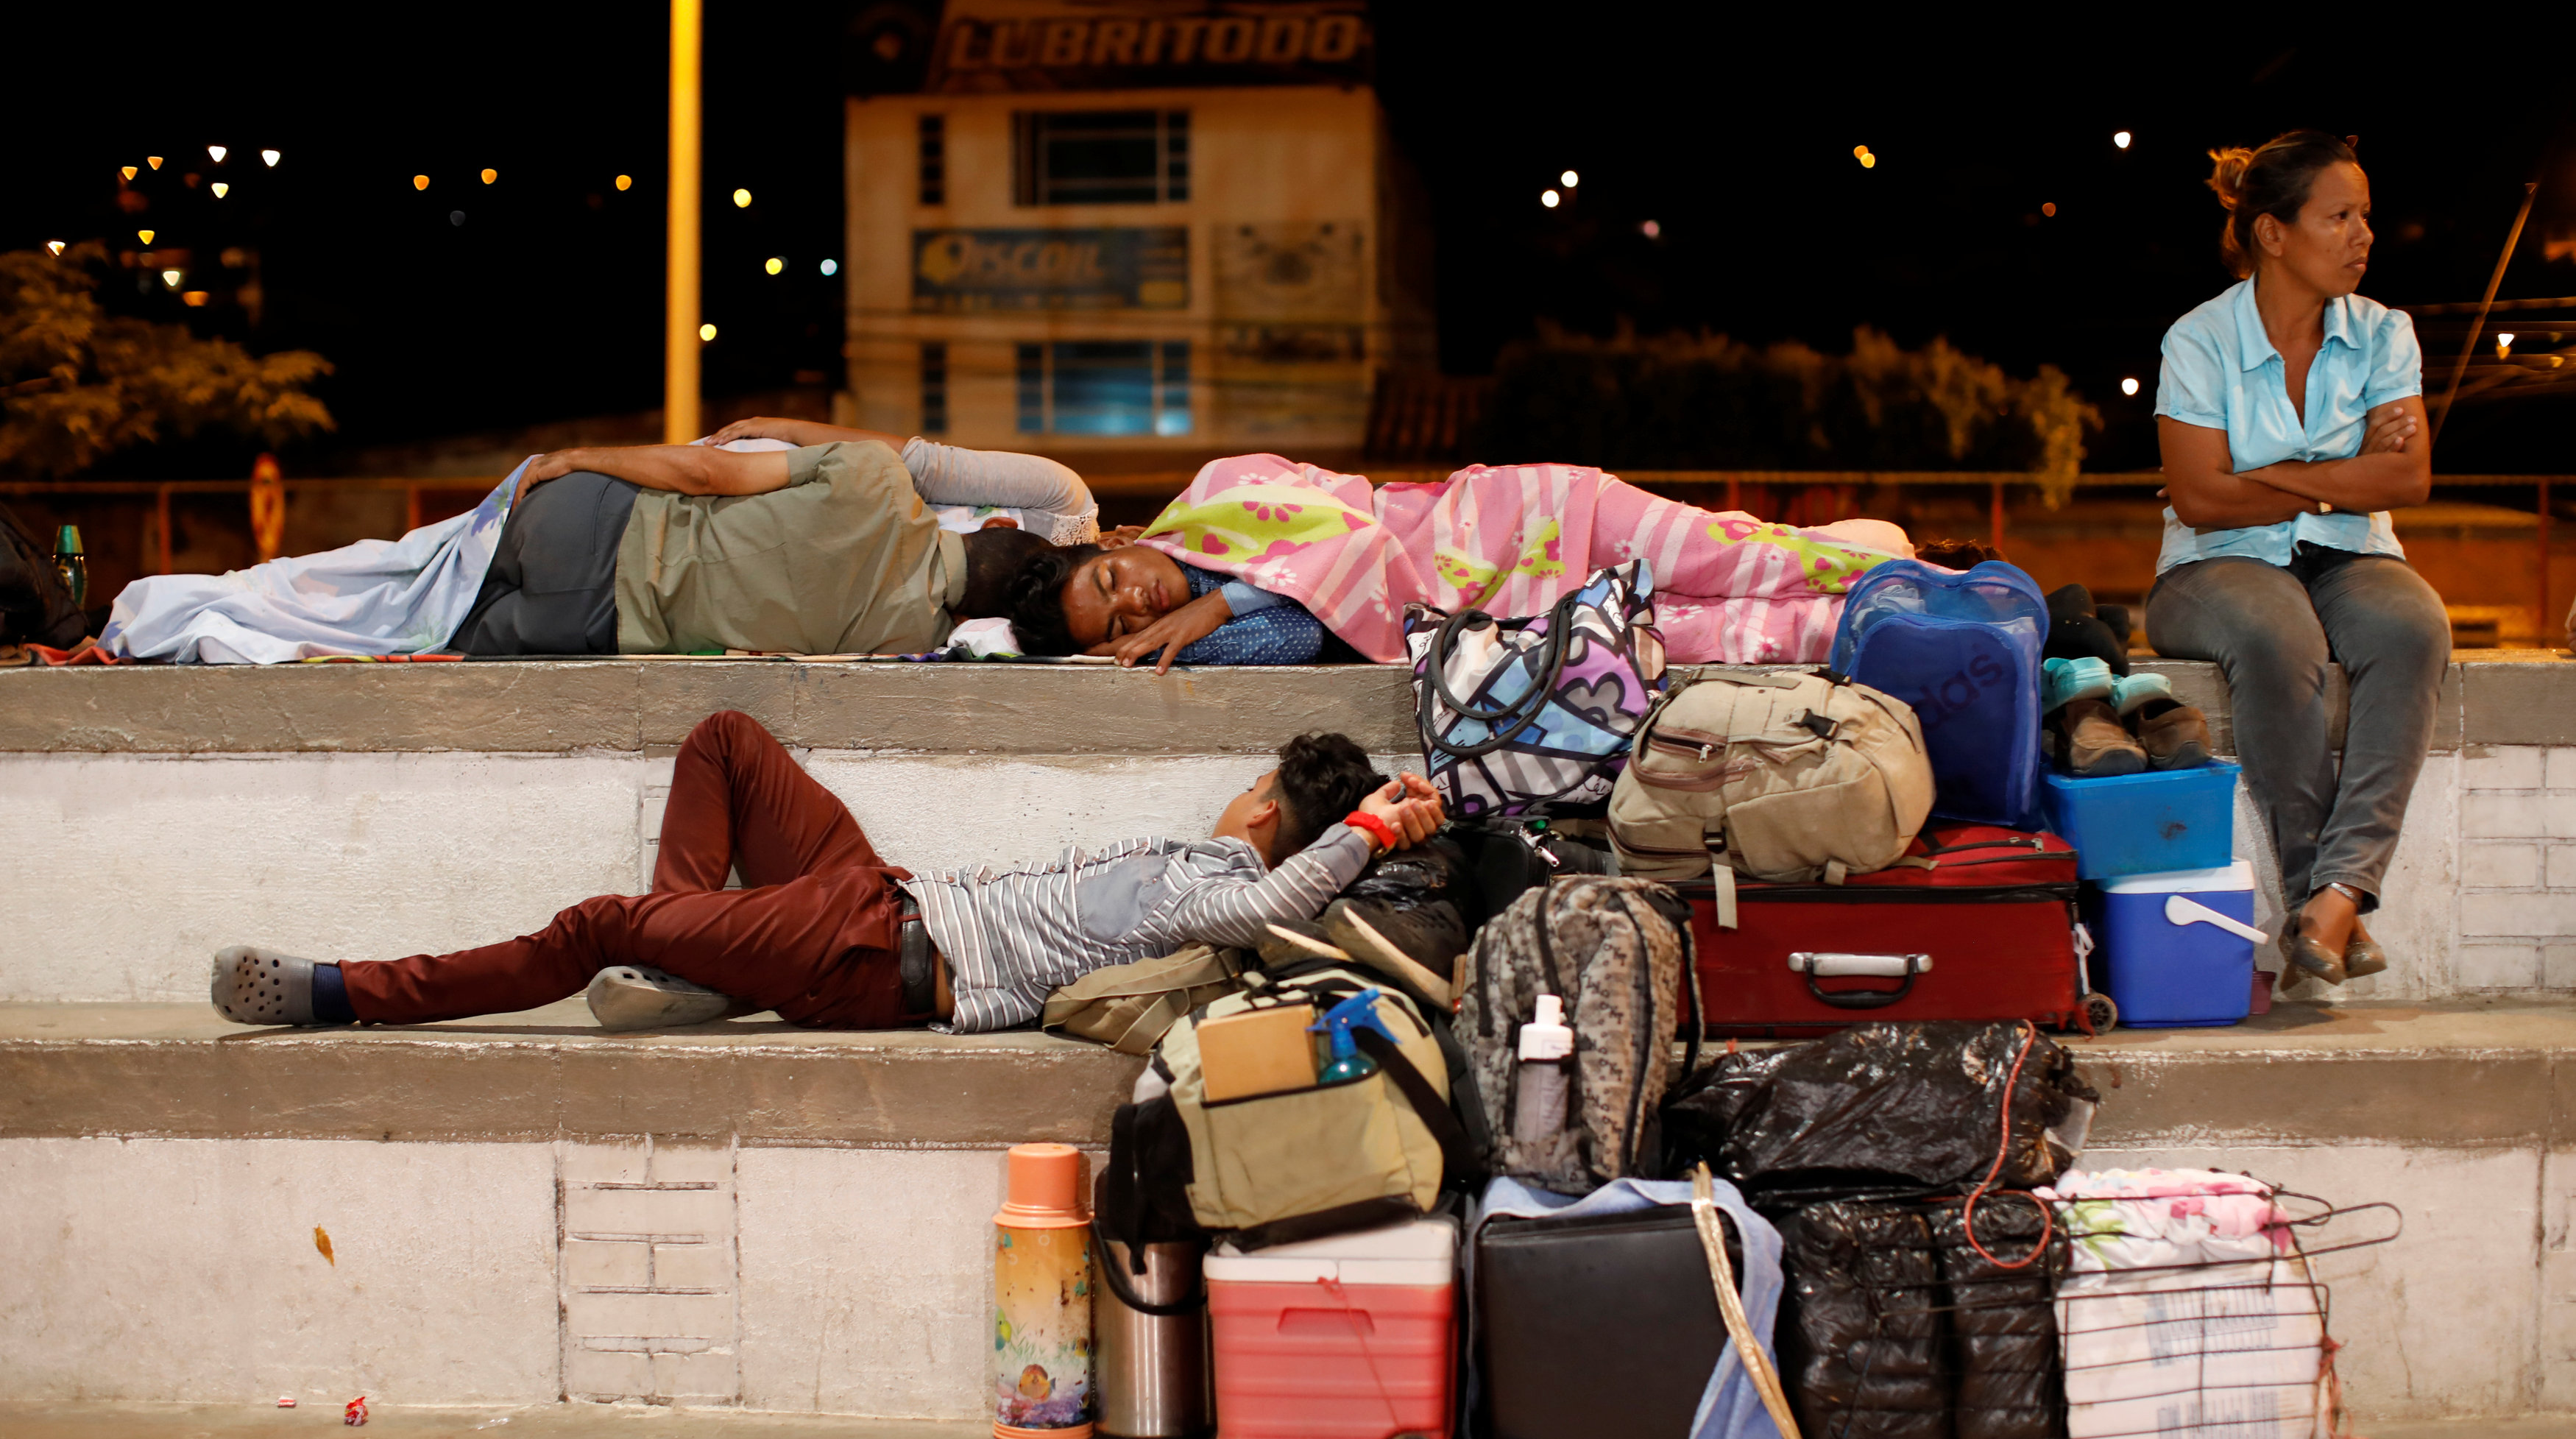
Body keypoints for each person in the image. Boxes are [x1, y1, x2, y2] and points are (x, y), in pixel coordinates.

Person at [207, 710, 1445, 1033]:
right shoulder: (1200, 861)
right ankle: (682, 948)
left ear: (1270, 806)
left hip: (878, 957)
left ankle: (344, 989)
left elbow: (1280, 897)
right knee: (728, 744)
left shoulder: (1224, 878)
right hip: (885, 897)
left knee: (593, 924)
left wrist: (1375, 829)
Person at [2145, 131, 2443, 988]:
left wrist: (2262, 472)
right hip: (2212, 564)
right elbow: (2200, 501)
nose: (2362, 236)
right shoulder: (2197, 340)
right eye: (2337, 216)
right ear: (2272, 233)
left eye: (2364, 216)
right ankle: (2327, 895)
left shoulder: (2385, 332)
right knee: (2280, 639)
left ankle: (2339, 891)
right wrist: (2341, 470)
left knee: (2413, 625)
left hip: (2351, 553)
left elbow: (2409, 477)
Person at [101, 421, 1097, 662]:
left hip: (592, 522)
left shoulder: (878, 479)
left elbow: (706, 470)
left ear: (997, 527)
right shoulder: (890, 645)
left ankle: (176, 605)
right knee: (397, 645)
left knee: (385, 575)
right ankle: (202, 635)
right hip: (596, 626)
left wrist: (581, 453)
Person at [1002, 455, 1911, 673]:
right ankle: (1921, 635)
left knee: (1745, 560)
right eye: (1120, 624)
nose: (1137, 601)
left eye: (1110, 582)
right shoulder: (1211, 635)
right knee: (1755, 637)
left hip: (1541, 520)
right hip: (1527, 629)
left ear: (1113, 545)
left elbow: (1351, 539)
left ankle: (1940, 591)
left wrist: (1217, 601)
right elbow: (1310, 629)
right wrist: (1208, 628)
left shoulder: (1217, 489)